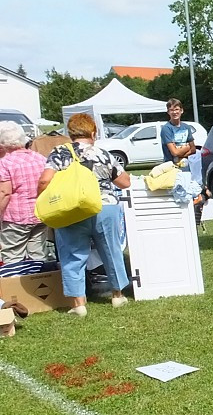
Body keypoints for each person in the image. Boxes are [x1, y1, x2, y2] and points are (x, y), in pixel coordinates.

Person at [38, 112, 131, 316]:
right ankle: (117, 296)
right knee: (111, 251)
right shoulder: (103, 153)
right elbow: (125, 182)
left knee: (72, 255)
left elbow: (45, 180)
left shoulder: (59, 152)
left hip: (73, 208)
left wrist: (41, 198)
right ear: (93, 132)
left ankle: (78, 304)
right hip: (105, 206)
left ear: (70, 133)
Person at [0, 122, 48, 262]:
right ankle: (39, 283)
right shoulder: (40, 158)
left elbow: (4, 193)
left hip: (15, 218)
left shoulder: (5, 163)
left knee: (12, 256)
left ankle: (14, 283)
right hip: (40, 214)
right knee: (38, 255)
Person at [161, 98, 198, 164]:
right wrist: (186, 147)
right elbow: (174, 153)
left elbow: (193, 149)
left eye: (176, 109)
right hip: (171, 165)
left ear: (181, 111)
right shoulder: (166, 129)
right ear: (168, 112)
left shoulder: (186, 127)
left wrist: (180, 155)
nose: (174, 112)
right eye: (171, 110)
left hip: (187, 164)